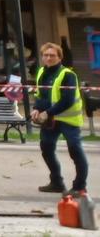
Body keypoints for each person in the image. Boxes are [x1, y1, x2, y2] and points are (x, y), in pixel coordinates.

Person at [32, 42, 88, 195]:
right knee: (47, 148)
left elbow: (67, 100)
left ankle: (79, 186)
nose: (49, 58)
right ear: (42, 57)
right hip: (50, 120)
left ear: (59, 57)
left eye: (52, 55)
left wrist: (48, 112)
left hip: (69, 120)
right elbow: (40, 95)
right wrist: (36, 108)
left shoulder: (68, 75)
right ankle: (56, 182)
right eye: (46, 55)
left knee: (75, 150)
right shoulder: (41, 72)